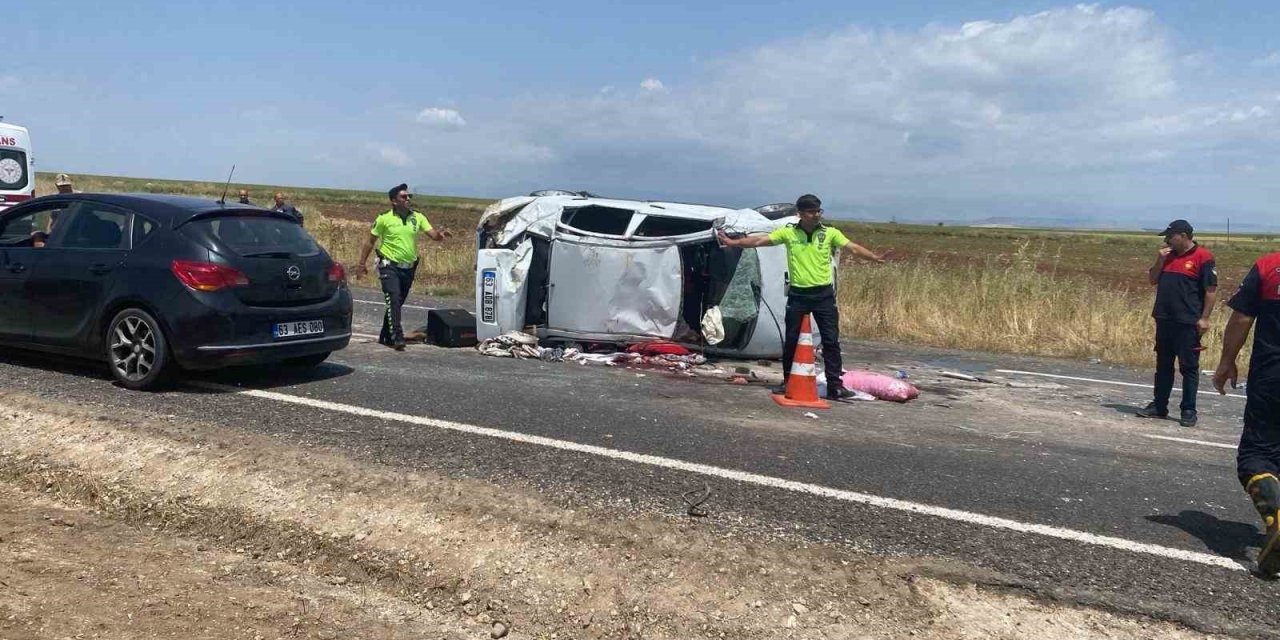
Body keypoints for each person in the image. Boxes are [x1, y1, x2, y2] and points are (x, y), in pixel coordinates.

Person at [717, 193, 886, 400]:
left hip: (823, 295)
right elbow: (760, 240)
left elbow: (852, 247)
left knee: (831, 341)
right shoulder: (788, 234)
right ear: (800, 214)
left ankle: (835, 386)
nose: (816, 215)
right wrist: (734, 243)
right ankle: (788, 382)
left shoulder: (829, 233)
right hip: (798, 294)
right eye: (811, 212)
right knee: (792, 340)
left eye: (818, 211)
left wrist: (874, 257)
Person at [1213, 251, 1280, 576]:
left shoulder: (1269, 266)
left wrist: (1227, 361)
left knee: (1256, 456)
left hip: (1272, 378)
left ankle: (1277, 517)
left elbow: (1242, 318)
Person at [1137, 219, 1217, 427]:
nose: (1166, 240)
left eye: (1170, 236)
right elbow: (1152, 280)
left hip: (1188, 322)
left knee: (1189, 367)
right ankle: (1159, 405)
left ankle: (1188, 409)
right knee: (1163, 365)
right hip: (1164, 319)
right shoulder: (1167, 256)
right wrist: (1159, 260)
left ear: (1183, 236)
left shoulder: (1203, 257)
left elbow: (1210, 291)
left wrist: (1205, 318)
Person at [355, 183, 452, 350]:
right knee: (393, 297)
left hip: (408, 267)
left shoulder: (418, 217)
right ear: (394, 201)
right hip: (388, 265)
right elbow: (370, 241)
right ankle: (397, 337)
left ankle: (385, 335)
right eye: (404, 197)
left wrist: (440, 235)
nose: (408, 199)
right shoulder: (384, 218)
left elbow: (433, 235)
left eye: (409, 196)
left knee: (397, 302)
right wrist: (361, 264)